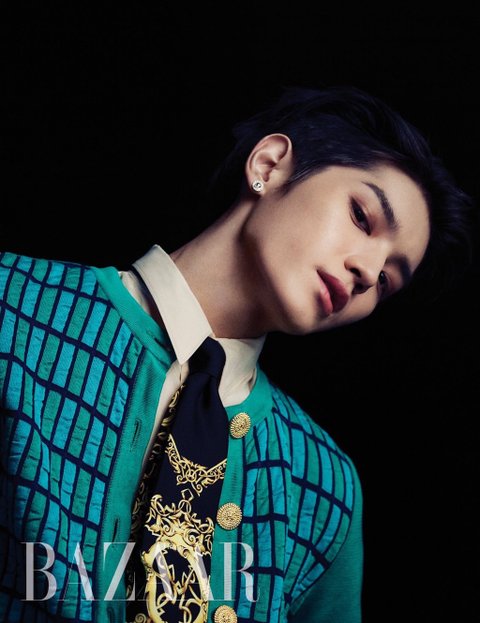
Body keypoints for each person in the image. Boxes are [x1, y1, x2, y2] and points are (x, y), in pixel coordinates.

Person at [0, 85, 473, 623]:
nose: (367, 272)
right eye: (362, 217)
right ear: (269, 166)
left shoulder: (325, 489)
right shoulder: (13, 306)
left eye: (387, 280)